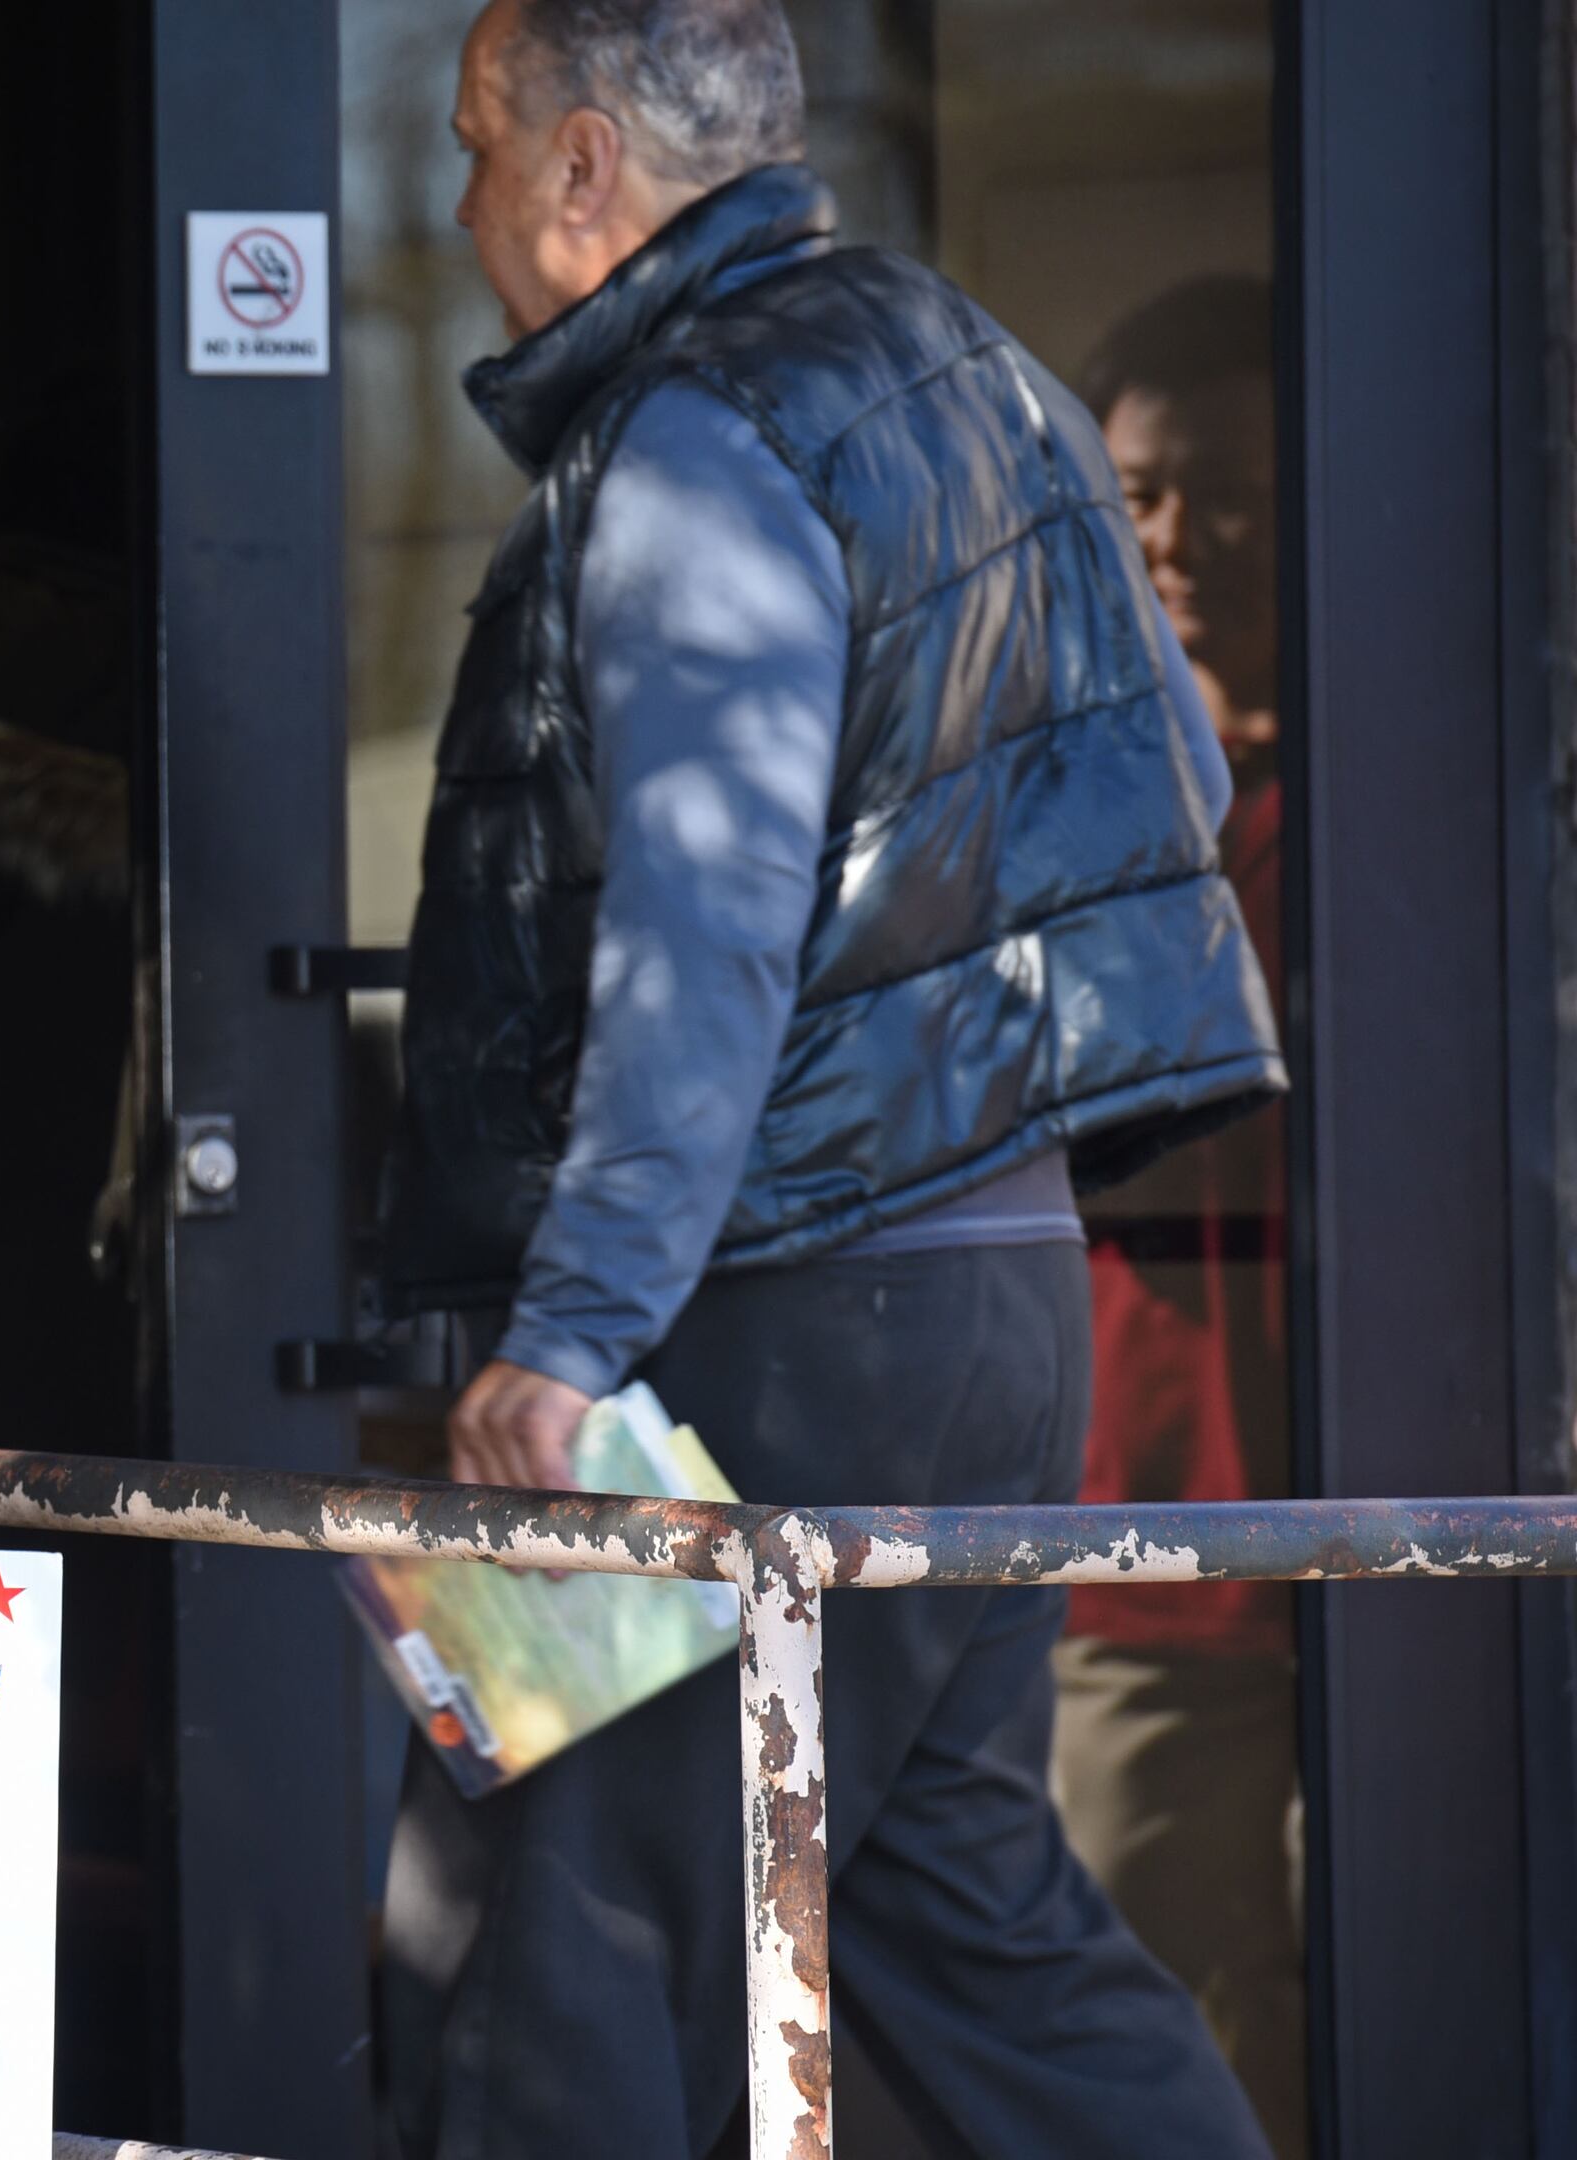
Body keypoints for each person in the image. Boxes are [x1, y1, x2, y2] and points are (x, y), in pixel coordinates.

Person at [372, 3, 1286, 2154]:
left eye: (477, 143)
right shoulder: (992, 381)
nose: (461, 196)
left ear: (587, 165)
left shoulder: (700, 432)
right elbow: (1155, 762)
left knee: (549, 1934)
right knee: (968, 1924)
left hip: (754, 1315)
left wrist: (574, 1329)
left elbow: (702, 915)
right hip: (995, 1298)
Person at [1057, 275, 1307, 2160]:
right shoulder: (1088, 807)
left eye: (1221, 488)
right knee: (1136, 2020)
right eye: (1138, 494)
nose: (1175, 539)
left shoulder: (1432, 799)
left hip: (1416, 1534)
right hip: (1151, 1542)